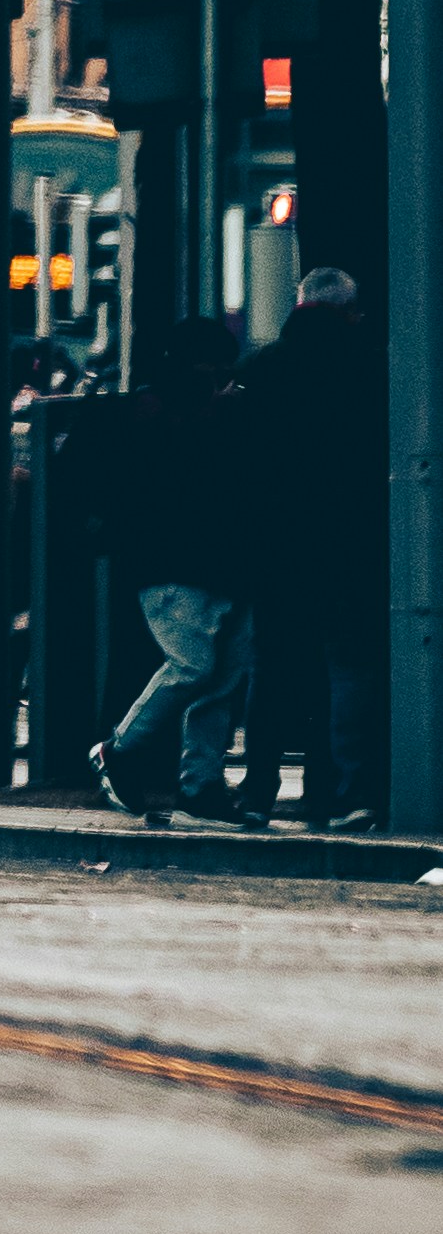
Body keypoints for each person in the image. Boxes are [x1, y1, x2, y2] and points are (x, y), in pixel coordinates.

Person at [232, 263, 389, 830]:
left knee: (273, 667)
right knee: (348, 667)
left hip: (276, 547)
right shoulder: (373, 370)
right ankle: (344, 791)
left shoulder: (259, 369)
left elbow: (234, 466)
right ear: (350, 311)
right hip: (351, 543)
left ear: (298, 307)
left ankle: (257, 793)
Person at [90, 326, 249, 822]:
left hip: (210, 562)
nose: (221, 378)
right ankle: (119, 748)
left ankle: (200, 785)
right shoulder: (162, 413)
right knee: (195, 667)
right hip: (177, 563)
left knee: (218, 678)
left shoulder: (165, 410)